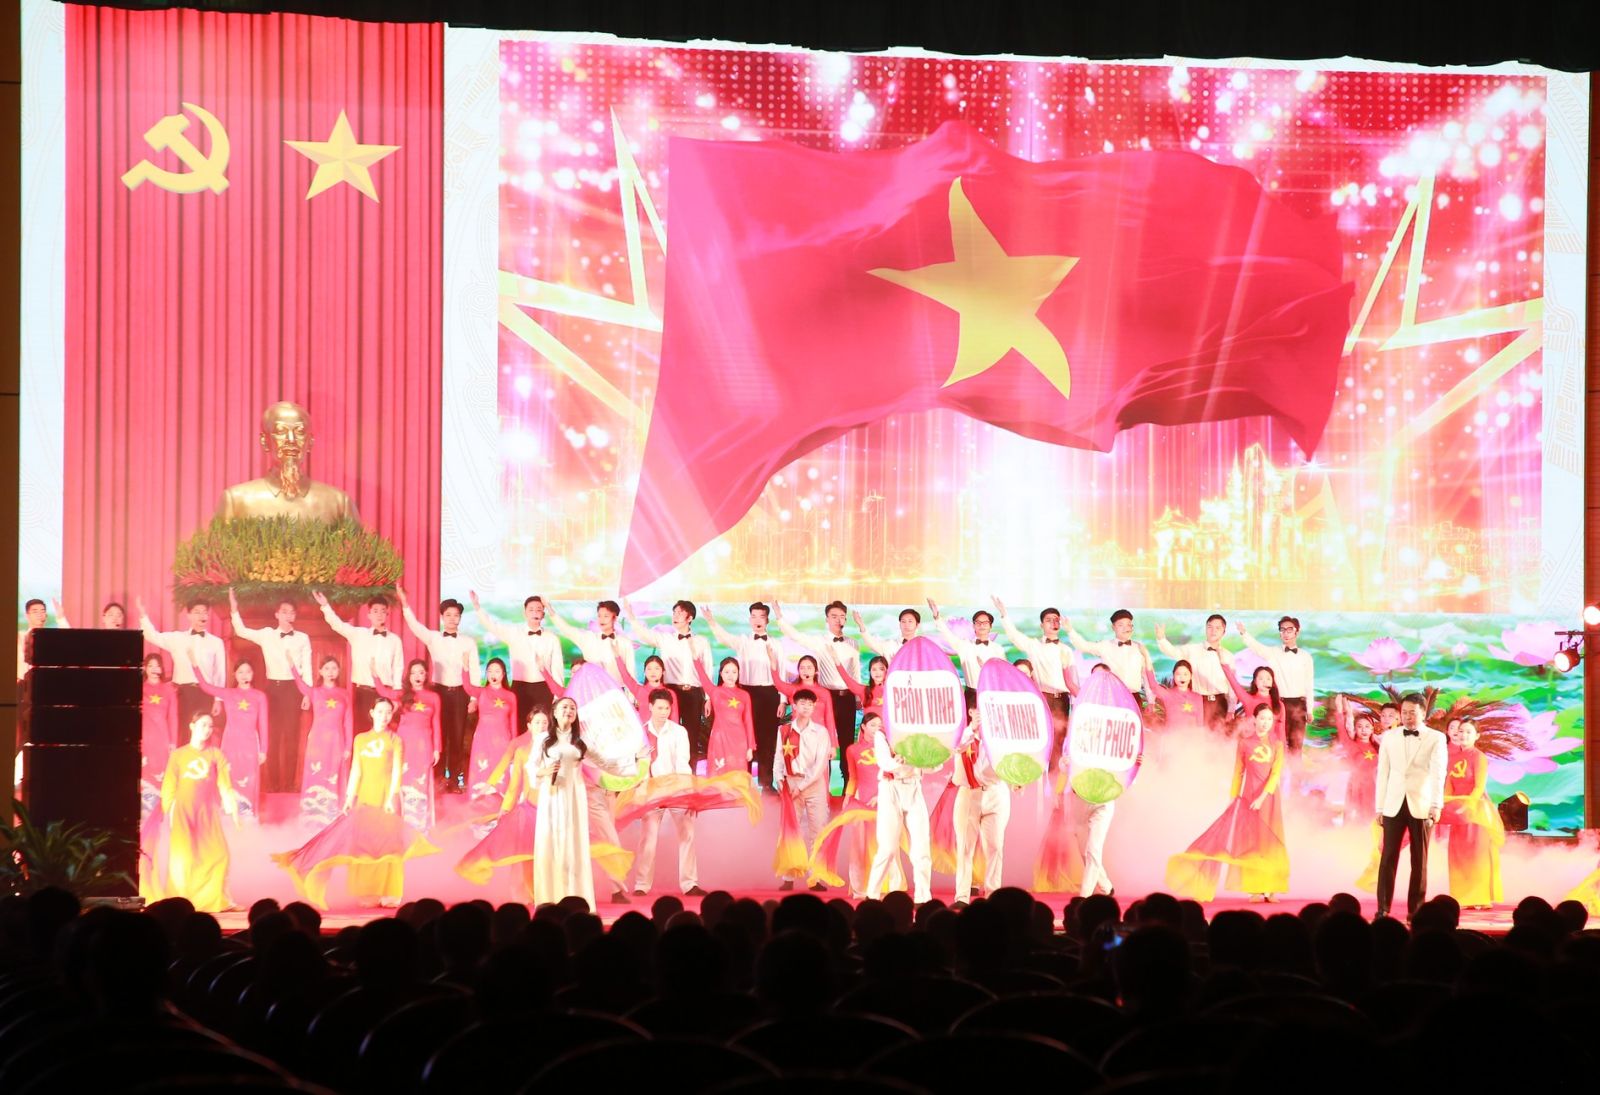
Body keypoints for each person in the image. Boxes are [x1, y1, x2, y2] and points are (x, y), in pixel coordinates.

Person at [274, 696, 437, 909]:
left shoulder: (395, 740)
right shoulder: (360, 739)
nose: (384, 716)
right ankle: (367, 891)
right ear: (372, 713)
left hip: (388, 798)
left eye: (388, 712)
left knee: (389, 844)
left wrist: (391, 798)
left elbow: (397, 772)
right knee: (365, 845)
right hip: (365, 797)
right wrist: (349, 798)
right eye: (380, 711)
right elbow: (356, 771)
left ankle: (390, 891)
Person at [1166, 703, 1290, 902]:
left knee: (1269, 842)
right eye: (1262, 718)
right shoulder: (1245, 743)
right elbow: (1238, 772)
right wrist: (1233, 798)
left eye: (1269, 719)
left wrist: (1262, 798)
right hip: (1248, 797)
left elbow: (1275, 774)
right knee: (1252, 842)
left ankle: (1271, 889)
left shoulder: (1277, 744)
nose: (1266, 722)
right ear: (1254, 719)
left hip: (1269, 798)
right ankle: (1255, 889)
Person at [457, 708, 549, 902]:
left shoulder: (555, 748)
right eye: (537, 722)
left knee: (548, 853)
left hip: (552, 808)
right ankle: (527, 894)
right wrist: (505, 807)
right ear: (529, 725)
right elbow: (514, 783)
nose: (541, 726)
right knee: (526, 854)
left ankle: (549, 892)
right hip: (531, 808)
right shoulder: (521, 749)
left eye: (545, 722)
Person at [228, 589, 313, 794]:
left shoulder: (303, 638)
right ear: (277, 614)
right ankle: (273, 784)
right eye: (284, 611)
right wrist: (234, 608)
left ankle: (289, 785)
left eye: (291, 612)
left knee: (291, 736)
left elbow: (308, 666)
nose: (288, 615)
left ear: (295, 616)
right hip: (272, 689)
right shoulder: (266, 634)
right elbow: (241, 631)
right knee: (272, 737)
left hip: (294, 688)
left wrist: (307, 694)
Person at [215, 400, 359, 522]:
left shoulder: (339, 502)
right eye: (281, 432)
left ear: (310, 442)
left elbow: (356, 546)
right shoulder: (236, 501)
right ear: (265, 441)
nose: (291, 440)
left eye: (299, 432)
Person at [398, 587, 481, 793]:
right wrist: (405, 604)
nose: (452, 619)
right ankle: (435, 779)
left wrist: (473, 698)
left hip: (461, 693)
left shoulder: (468, 642)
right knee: (439, 735)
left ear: (460, 618)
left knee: (457, 737)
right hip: (438, 692)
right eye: (448, 615)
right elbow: (415, 626)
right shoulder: (433, 637)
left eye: (456, 615)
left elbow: (475, 670)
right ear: (442, 617)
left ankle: (454, 780)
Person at [1374, 692, 1447, 922]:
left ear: (1423, 713)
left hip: (1422, 804)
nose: (1407, 717)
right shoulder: (1389, 737)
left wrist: (1436, 804)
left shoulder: (1436, 738)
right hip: (1393, 804)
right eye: (1404, 712)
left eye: (1412, 713)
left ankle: (1415, 911)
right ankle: (1382, 909)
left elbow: (1438, 773)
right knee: (1387, 858)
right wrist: (1379, 807)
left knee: (1419, 860)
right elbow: (1383, 773)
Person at [159, 711, 239, 913]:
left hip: (207, 812)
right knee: (184, 858)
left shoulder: (216, 754)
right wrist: (168, 812)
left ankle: (217, 900)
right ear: (192, 726)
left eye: (210, 726)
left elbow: (224, 784)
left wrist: (231, 805)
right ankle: (180, 902)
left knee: (220, 854)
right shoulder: (178, 755)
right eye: (203, 724)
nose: (207, 729)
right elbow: (169, 785)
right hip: (183, 811)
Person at [774, 600, 861, 783]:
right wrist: (779, 617)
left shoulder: (853, 643)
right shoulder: (820, 642)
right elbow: (795, 636)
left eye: (842, 616)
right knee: (823, 738)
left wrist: (858, 696)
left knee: (846, 742)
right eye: (834, 616)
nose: (838, 620)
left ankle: (848, 783)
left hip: (847, 697)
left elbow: (855, 672)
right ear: (827, 619)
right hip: (824, 696)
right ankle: (822, 783)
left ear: (846, 620)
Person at [624, 599, 714, 762]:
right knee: (668, 732)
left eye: (680, 613)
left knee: (691, 734)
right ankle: (667, 768)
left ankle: (689, 772)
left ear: (690, 618)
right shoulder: (665, 639)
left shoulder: (702, 641)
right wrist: (631, 617)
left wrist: (708, 698)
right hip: (671, 692)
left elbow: (708, 669)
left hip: (694, 693)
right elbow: (644, 635)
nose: (675, 616)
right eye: (674, 613)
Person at [704, 603, 781, 790]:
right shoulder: (743, 641)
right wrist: (711, 621)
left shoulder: (776, 644)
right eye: (753, 616)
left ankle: (766, 784)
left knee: (767, 740)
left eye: (761, 616)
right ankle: (742, 781)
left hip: (770, 694)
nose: (757, 620)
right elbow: (723, 637)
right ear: (749, 619)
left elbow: (783, 671)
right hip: (746, 692)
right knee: (744, 738)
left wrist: (783, 700)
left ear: (767, 620)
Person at [633, 690, 702, 897]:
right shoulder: (640, 733)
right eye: (660, 708)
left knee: (687, 834)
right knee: (648, 838)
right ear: (650, 707)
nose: (663, 712)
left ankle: (690, 884)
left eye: (667, 708)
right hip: (651, 790)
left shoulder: (678, 732)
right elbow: (638, 766)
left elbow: (683, 763)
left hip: (676, 788)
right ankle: (641, 885)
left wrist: (687, 794)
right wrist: (641, 793)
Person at [532, 697, 595, 907]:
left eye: (572, 708)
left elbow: (603, 761)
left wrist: (633, 761)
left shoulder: (580, 741)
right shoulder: (543, 739)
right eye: (564, 707)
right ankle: (549, 899)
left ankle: (575, 898)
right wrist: (544, 771)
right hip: (552, 795)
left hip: (574, 796)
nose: (568, 710)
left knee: (573, 845)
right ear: (555, 712)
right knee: (550, 843)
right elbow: (531, 767)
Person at [471, 591, 565, 728]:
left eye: (539, 609)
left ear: (543, 614)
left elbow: (557, 668)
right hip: (520, 688)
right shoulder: (514, 633)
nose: (535, 612)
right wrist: (477, 607)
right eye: (531, 609)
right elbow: (492, 625)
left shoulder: (552, 638)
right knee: (519, 726)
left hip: (545, 688)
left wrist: (557, 696)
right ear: (524, 613)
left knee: (544, 728)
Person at [191, 657, 268, 822]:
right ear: (235, 674)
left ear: (253, 673)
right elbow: (205, 686)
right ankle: (228, 811)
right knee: (228, 775)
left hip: (250, 743)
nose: (244, 675)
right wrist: (195, 664)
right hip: (230, 743)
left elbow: (263, 724)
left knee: (249, 778)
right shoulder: (228, 693)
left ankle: (247, 813)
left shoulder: (259, 696)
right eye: (240, 672)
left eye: (248, 671)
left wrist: (263, 750)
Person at [773, 689, 835, 892]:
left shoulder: (821, 732)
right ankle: (788, 876)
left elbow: (820, 765)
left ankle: (815, 877)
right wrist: (779, 780)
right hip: (791, 784)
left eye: (810, 704)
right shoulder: (784, 730)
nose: (806, 707)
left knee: (818, 830)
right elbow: (778, 758)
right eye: (802, 703)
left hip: (813, 785)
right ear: (794, 705)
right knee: (790, 830)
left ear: (814, 707)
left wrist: (801, 786)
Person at [1440, 717, 1503, 910]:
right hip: (1458, 812)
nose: (1463, 735)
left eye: (1468, 732)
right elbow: (1448, 786)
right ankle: (1462, 897)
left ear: (1477, 736)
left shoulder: (1479, 757)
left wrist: (1468, 805)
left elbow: (1479, 786)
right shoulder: (1452, 758)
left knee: (1477, 853)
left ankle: (1481, 897)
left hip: (1476, 812)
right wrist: (1447, 805)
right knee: (1458, 853)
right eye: (1461, 731)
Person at [866, 724, 933, 904]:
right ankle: (872, 895)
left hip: (914, 787)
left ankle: (923, 897)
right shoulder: (883, 733)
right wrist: (908, 760)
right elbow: (885, 763)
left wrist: (920, 760)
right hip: (890, 788)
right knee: (887, 848)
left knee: (921, 847)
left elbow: (935, 766)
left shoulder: (922, 732)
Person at [138, 596, 225, 729]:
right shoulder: (177, 638)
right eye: (197, 612)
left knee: (202, 732)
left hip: (205, 693)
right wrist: (143, 615)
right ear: (188, 615)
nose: (202, 615)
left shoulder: (216, 642)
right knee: (181, 730)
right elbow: (152, 636)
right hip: (181, 693)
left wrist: (218, 699)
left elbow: (219, 673)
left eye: (205, 612)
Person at [375, 660, 442, 833]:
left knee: (421, 781)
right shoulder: (402, 694)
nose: (417, 676)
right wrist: (375, 674)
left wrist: (437, 749)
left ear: (426, 675)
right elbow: (383, 691)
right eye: (413, 673)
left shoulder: (434, 697)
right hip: (404, 742)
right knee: (401, 778)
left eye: (421, 672)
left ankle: (420, 824)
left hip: (424, 744)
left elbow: (436, 723)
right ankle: (399, 821)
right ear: (408, 676)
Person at [289, 656, 354, 832]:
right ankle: (311, 816)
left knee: (334, 774)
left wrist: (348, 747)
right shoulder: (315, 692)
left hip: (337, 740)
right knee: (315, 774)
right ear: (320, 671)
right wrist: (293, 666)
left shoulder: (344, 694)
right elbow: (300, 685)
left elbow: (348, 722)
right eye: (327, 668)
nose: (330, 672)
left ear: (339, 671)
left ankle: (332, 815)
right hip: (317, 741)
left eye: (334, 668)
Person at [315, 590, 405, 716]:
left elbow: (398, 668)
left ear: (387, 615)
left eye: (383, 611)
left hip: (385, 692)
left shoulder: (395, 640)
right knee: (361, 726)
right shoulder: (358, 634)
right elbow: (337, 625)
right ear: (369, 615)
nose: (379, 615)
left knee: (382, 726)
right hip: (362, 692)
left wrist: (395, 696)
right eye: (375, 611)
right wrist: (325, 606)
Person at [952, 716, 1010, 905]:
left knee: (995, 846)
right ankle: (962, 896)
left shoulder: (1000, 739)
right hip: (969, 794)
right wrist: (972, 728)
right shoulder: (963, 735)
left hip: (995, 793)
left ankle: (993, 895)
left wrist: (1016, 781)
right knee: (965, 847)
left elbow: (1010, 763)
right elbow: (958, 747)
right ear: (972, 712)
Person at [1238, 617, 1316, 753]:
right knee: (1277, 743)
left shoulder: (1305, 657)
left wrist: (1310, 709)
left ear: (1297, 632)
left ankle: (1295, 767)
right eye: (1282, 630)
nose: (1286, 633)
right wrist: (1244, 633)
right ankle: (1278, 767)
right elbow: (1256, 647)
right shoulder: (1273, 652)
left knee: (1296, 745)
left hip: (1299, 704)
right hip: (1279, 703)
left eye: (1289, 630)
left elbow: (1309, 684)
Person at [994, 598, 1078, 716]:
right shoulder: (1034, 645)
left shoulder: (1066, 650)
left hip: (1062, 700)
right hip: (1042, 698)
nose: (1053, 623)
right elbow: (1014, 636)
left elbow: (1073, 681)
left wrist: (1078, 705)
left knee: (1060, 727)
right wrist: (1004, 614)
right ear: (1041, 625)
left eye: (1056, 620)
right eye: (1048, 620)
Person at [138, 654, 178, 901]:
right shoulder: (139, 689)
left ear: (162, 669)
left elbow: (173, 717)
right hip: (144, 740)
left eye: (157, 666)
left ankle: (161, 823)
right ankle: (144, 826)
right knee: (145, 786)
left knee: (163, 786)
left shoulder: (168, 690)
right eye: (150, 665)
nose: (154, 669)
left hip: (162, 741)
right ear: (144, 668)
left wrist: (173, 743)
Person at [1155, 615, 1234, 728]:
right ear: (1206, 629)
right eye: (1210, 627)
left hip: (1220, 702)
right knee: (1197, 735)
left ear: (1224, 632)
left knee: (1219, 736)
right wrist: (1161, 639)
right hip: (1198, 701)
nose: (1213, 631)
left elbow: (1232, 684)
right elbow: (1174, 652)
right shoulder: (1192, 649)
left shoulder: (1228, 656)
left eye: (1218, 628)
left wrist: (1231, 709)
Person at [462, 658, 519, 810]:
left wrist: (515, 747)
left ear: (504, 674)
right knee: (482, 769)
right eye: (490, 671)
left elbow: (513, 723)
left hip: (503, 740)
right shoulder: (482, 692)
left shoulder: (510, 696)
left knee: (501, 770)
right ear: (486, 674)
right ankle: (478, 804)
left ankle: (500, 805)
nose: (493, 674)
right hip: (482, 739)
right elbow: (467, 686)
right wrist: (465, 667)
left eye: (497, 671)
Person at [929, 600, 1008, 706]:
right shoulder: (964, 646)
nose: (982, 625)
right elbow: (948, 635)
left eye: (985, 623)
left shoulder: (998, 649)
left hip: (993, 695)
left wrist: (987, 668)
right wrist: (937, 617)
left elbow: (1003, 673)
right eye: (978, 623)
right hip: (971, 695)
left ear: (990, 626)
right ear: (973, 626)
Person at [549, 599, 637, 686]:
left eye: (606, 616)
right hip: (592, 688)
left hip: (617, 689)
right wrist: (550, 609)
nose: (602, 619)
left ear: (615, 618)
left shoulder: (625, 643)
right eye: (599, 616)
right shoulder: (588, 638)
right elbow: (566, 629)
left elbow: (631, 672)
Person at [695, 656, 756, 779]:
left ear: (738, 674)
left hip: (739, 741)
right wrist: (695, 658)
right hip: (719, 739)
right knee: (718, 776)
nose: (730, 675)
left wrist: (750, 747)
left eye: (734, 672)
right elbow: (702, 676)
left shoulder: (744, 695)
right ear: (721, 673)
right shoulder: (715, 692)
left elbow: (748, 721)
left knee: (738, 776)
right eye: (727, 672)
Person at [1065, 609, 1147, 699]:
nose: (1126, 628)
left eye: (1128, 624)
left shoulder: (1139, 647)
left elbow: (1146, 674)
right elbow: (1084, 646)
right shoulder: (1105, 645)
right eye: (1121, 625)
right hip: (1112, 697)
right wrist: (1070, 630)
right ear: (1113, 627)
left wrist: (1151, 700)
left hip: (1135, 697)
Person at [771, 653, 839, 752]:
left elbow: (829, 718)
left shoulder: (824, 692)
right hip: (799, 737)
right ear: (798, 671)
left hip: (819, 738)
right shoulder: (793, 689)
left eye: (809, 668)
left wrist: (832, 745)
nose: (805, 671)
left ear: (816, 671)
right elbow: (778, 683)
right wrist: (773, 664)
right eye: (802, 668)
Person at [1333, 694, 1381, 827]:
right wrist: (1340, 710)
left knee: (1373, 824)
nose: (1364, 730)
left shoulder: (1379, 747)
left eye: (1367, 726)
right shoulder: (1351, 745)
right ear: (1355, 729)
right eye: (1360, 726)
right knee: (1355, 822)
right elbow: (1342, 729)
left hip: (1374, 789)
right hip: (1356, 788)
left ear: (1372, 729)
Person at [1142, 652, 1205, 734]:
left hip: (1190, 739)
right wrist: (1146, 656)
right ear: (1173, 676)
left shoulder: (1197, 697)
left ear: (1190, 676)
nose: (1182, 677)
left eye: (1185, 674)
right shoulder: (1168, 694)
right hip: (1171, 738)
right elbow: (1153, 685)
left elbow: (1200, 724)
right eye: (1178, 674)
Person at [1224, 662, 1286, 744]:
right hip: (1250, 745)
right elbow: (1234, 683)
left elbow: (1281, 731)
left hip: (1270, 746)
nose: (1265, 681)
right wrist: (1224, 663)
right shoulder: (1248, 699)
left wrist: (1283, 750)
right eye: (1261, 679)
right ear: (1255, 682)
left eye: (1268, 679)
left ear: (1272, 683)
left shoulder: (1279, 705)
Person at [616, 653, 681, 723]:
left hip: (664, 729)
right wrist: (617, 655)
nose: (653, 672)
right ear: (644, 672)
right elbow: (625, 676)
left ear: (663, 671)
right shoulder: (639, 690)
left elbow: (675, 720)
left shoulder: (670, 693)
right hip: (643, 729)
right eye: (649, 669)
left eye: (657, 668)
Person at [854, 606, 921, 660]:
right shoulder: (890, 645)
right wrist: (861, 625)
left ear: (917, 625)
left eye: (910, 621)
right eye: (903, 621)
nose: (906, 625)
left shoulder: (922, 646)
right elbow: (872, 644)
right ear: (900, 624)